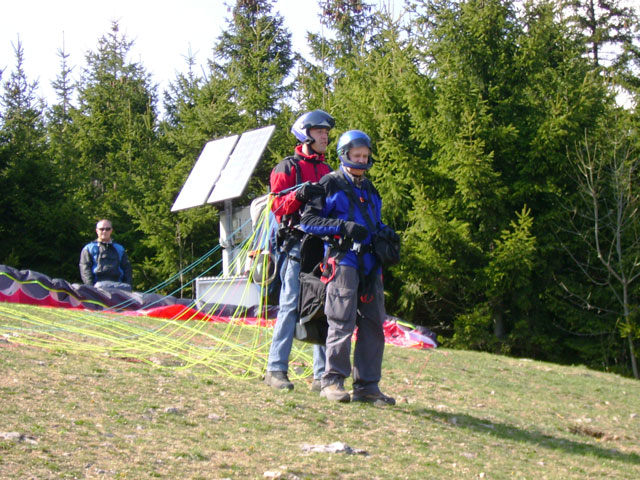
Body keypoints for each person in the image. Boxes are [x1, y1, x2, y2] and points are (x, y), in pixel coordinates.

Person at [300, 130, 398, 405]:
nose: (362, 161)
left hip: (371, 265)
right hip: (343, 262)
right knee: (341, 322)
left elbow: (374, 221)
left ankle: (367, 387)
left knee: (373, 325)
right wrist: (342, 227)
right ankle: (332, 382)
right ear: (344, 155)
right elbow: (308, 221)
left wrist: (386, 234)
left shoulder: (370, 189)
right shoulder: (329, 184)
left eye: (366, 156)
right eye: (357, 156)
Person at [264, 110, 335, 392]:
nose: (324, 136)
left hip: (323, 247)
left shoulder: (328, 171)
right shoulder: (287, 167)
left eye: (327, 133)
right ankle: (275, 369)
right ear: (305, 134)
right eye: (319, 131)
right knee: (291, 304)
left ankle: (321, 375)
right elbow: (277, 207)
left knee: (322, 306)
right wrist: (298, 194)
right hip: (294, 244)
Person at [79, 219, 133, 291]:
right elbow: (85, 269)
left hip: (119, 288)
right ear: (97, 231)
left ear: (111, 230)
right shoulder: (89, 248)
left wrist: (128, 286)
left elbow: (127, 269)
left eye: (107, 229)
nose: (104, 231)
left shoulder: (119, 249)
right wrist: (91, 289)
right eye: (101, 229)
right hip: (97, 288)